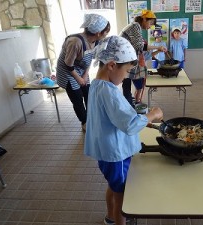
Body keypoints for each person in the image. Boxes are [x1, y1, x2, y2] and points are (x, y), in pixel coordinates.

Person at [83, 36, 163, 225]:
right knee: (122, 195)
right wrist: (152, 115)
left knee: (113, 186)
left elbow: (114, 117)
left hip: (106, 151)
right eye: (126, 71)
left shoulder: (97, 84)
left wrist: (143, 121)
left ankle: (110, 218)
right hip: (115, 154)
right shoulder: (109, 92)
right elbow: (129, 124)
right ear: (111, 65)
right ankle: (120, 221)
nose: (127, 76)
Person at [56, 14, 110, 132]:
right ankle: (84, 122)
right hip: (67, 72)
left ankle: (91, 119)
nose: (106, 35)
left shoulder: (96, 41)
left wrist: (85, 75)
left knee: (89, 95)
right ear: (98, 32)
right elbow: (68, 64)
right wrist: (79, 79)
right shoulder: (75, 42)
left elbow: (89, 60)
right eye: (106, 32)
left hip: (81, 70)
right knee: (77, 99)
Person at [120, 10, 167, 106]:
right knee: (126, 87)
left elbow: (141, 48)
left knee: (126, 86)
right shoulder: (135, 26)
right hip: (123, 60)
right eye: (150, 23)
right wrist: (157, 47)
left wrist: (157, 49)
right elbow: (140, 46)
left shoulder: (135, 27)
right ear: (144, 19)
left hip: (124, 59)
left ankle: (130, 105)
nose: (150, 26)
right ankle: (129, 108)